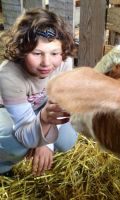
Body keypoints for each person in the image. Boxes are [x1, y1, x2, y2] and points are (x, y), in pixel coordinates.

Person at [0, 8, 78, 176]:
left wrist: (46, 143)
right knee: (17, 144)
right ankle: (3, 167)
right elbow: (23, 129)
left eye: (54, 53)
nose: (46, 63)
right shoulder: (8, 74)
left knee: (68, 140)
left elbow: (58, 103)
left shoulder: (64, 61)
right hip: (6, 112)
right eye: (37, 53)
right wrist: (39, 136)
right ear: (21, 50)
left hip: (40, 106)